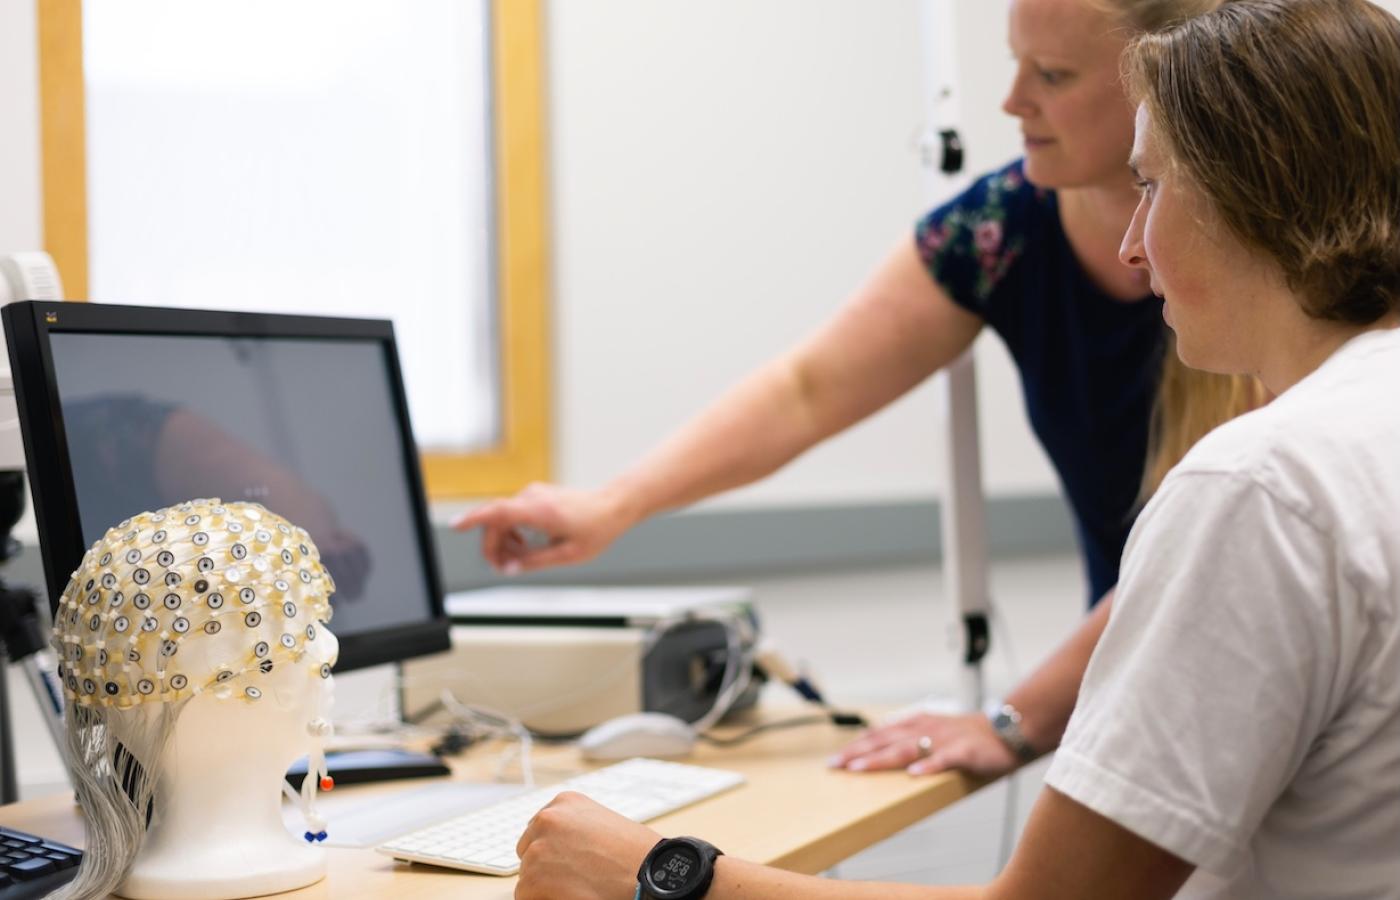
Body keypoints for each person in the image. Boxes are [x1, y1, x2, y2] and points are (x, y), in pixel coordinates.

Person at [514, 0, 1400, 896]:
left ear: (1255, 188)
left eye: (1153, 186)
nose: (1136, 248)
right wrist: (611, 504)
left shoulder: (1257, 486)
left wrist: (659, 874)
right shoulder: (1346, 430)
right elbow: (810, 387)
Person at [458, 0, 1259, 779]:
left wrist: (1014, 720)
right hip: (1128, 677)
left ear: (1168, 71)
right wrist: (612, 506)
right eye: (1013, 60)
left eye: (1051, 74)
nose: (1012, 100)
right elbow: (807, 390)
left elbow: (1201, 555)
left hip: (1244, 665)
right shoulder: (1003, 226)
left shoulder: (1262, 253)